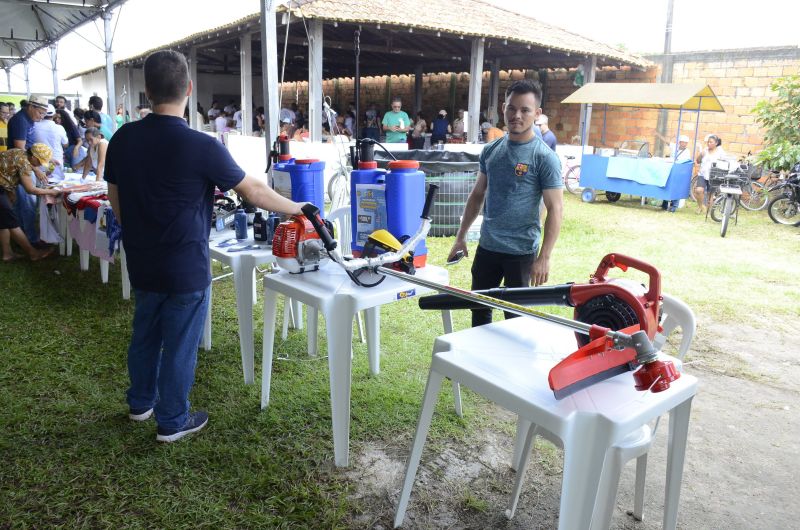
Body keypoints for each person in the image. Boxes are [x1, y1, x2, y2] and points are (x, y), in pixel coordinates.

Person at [105, 50, 304, 443]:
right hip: (185, 266)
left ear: (147, 90)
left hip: (142, 259)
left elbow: (115, 196)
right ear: (189, 88)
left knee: (145, 333)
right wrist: (298, 208)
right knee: (179, 344)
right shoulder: (202, 145)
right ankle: (172, 420)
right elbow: (254, 192)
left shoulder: (123, 138)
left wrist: (137, 230)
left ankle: (140, 403)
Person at [448, 79, 564, 327]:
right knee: (479, 311)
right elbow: (477, 195)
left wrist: (544, 256)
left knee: (516, 321)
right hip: (488, 247)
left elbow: (555, 209)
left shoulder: (544, 157)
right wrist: (461, 236)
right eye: (512, 108)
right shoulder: (491, 150)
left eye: (525, 110)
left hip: (521, 253)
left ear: (537, 114)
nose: (517, 115)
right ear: (503, 108)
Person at [0, 144, 59, 261]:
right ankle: (33, 253)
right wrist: (53, 192)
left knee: (3, 221)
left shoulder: (19, 152)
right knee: (12, 223)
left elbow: (9, 173)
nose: (41, 164)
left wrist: (10, 192)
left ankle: (7, 253)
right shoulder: (25, 164)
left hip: (2, 188)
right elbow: (30, 189)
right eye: (40, 161)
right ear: (33, 157)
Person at [8, 95, 49, 246]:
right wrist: (35, 169)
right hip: (20, 166)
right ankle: (32, 239)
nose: (42, 116)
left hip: (24, 164)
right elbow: (20, 150)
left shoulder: (29, 119)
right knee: (28, 204)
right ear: (31, 107)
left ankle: (22, 238)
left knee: (21, 205)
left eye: (44, 114)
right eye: (40, 113)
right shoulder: (20, 120)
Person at [33, 105, 68, 180]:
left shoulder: (34, 126)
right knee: (57, 187)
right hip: (57, 162)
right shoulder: (59, 128)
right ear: (54, 115)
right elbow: (65, 144)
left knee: (41, 185)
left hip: (39, 162)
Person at [661, 134, 693, 212]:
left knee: (677, 188)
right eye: (683, 142)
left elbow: (686, 162)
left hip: (680, 171)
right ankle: (665, 204)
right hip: (672, 169)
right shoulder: (675, 146)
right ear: (680, 142)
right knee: (668, 186)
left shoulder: (687, 151)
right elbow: (666, 142)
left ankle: (674, 206)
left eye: (686, 143)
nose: (684, 144)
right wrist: (658, 134)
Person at [695, 134, 725, 213]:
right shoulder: (705, 151)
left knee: (710, 195)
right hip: (702, 174)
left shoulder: (720, 153)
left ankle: (708, 210)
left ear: (716, 143)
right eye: (708, 142)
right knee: (699, 190)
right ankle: (700, 206)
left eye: (711, 142)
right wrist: (701, 155)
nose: (709, 144)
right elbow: (698, 161)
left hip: (713, 176)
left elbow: (724, 163)